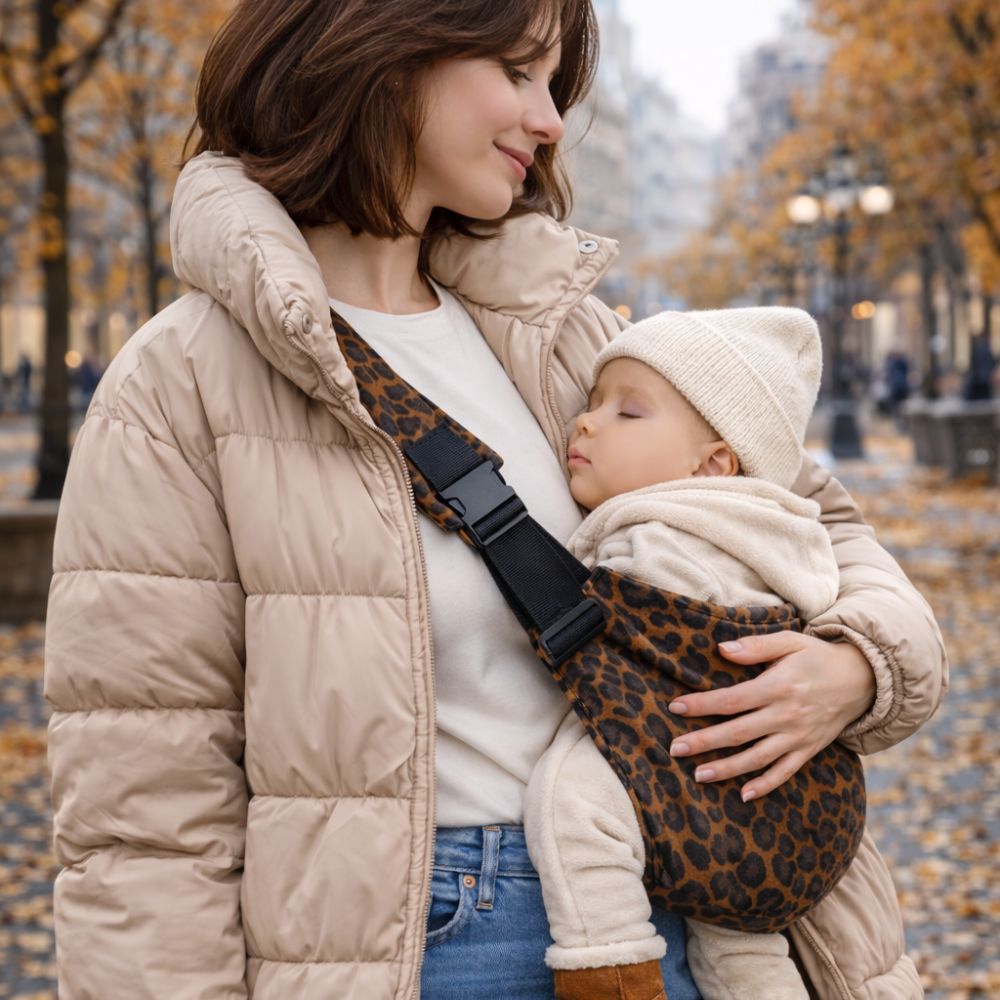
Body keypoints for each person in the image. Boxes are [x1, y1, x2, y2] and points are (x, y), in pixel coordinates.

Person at [42, 0, 946, 997]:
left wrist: (855, 664)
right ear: (383, 49)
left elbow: (822, 521)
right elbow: (147, 818)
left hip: (704, 915)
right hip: (432, 949)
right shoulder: (178, 384)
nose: (550, 121)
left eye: (554, 86)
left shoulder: (565, 334)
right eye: (518, 73)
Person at [525, 306, 837, 999]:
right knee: (737, 938)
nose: (587, 422)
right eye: (591, 403)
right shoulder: (776, 534)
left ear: (714, 463)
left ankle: (610, 969)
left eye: (628, 412)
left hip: (673, 738)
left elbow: (612, 630)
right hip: (764, 786)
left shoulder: (663, 534)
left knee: (574, 803)